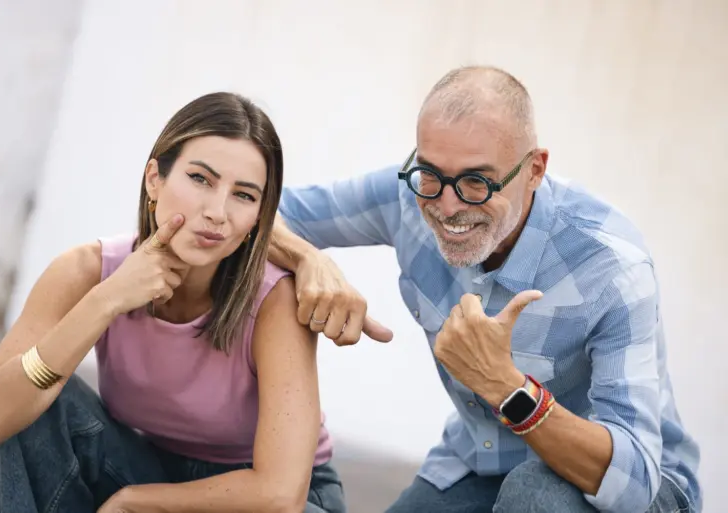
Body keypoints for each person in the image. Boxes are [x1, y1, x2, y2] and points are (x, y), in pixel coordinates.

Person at [268, 66, 701, 513]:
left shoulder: (612, 268)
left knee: (534, 497)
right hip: (480, 464)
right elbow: (259, 210)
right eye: (431, 174)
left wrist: (506, 387)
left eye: (477, 182)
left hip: (631, 488)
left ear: (534, 170)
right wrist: (310, 260)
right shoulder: (407, 197)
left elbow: (634, 484)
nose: (448, 206)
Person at [0, 92, 346, 513]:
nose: (217, 212)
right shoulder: (86, 270)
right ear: (155, 179)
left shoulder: (274, 301)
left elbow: (279, 495)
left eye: (243, 195)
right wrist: (107, 299)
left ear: (260, 215)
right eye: (201, 179)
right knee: (28, 401)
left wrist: (135, 501)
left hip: (266, 497)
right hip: (148, 462)